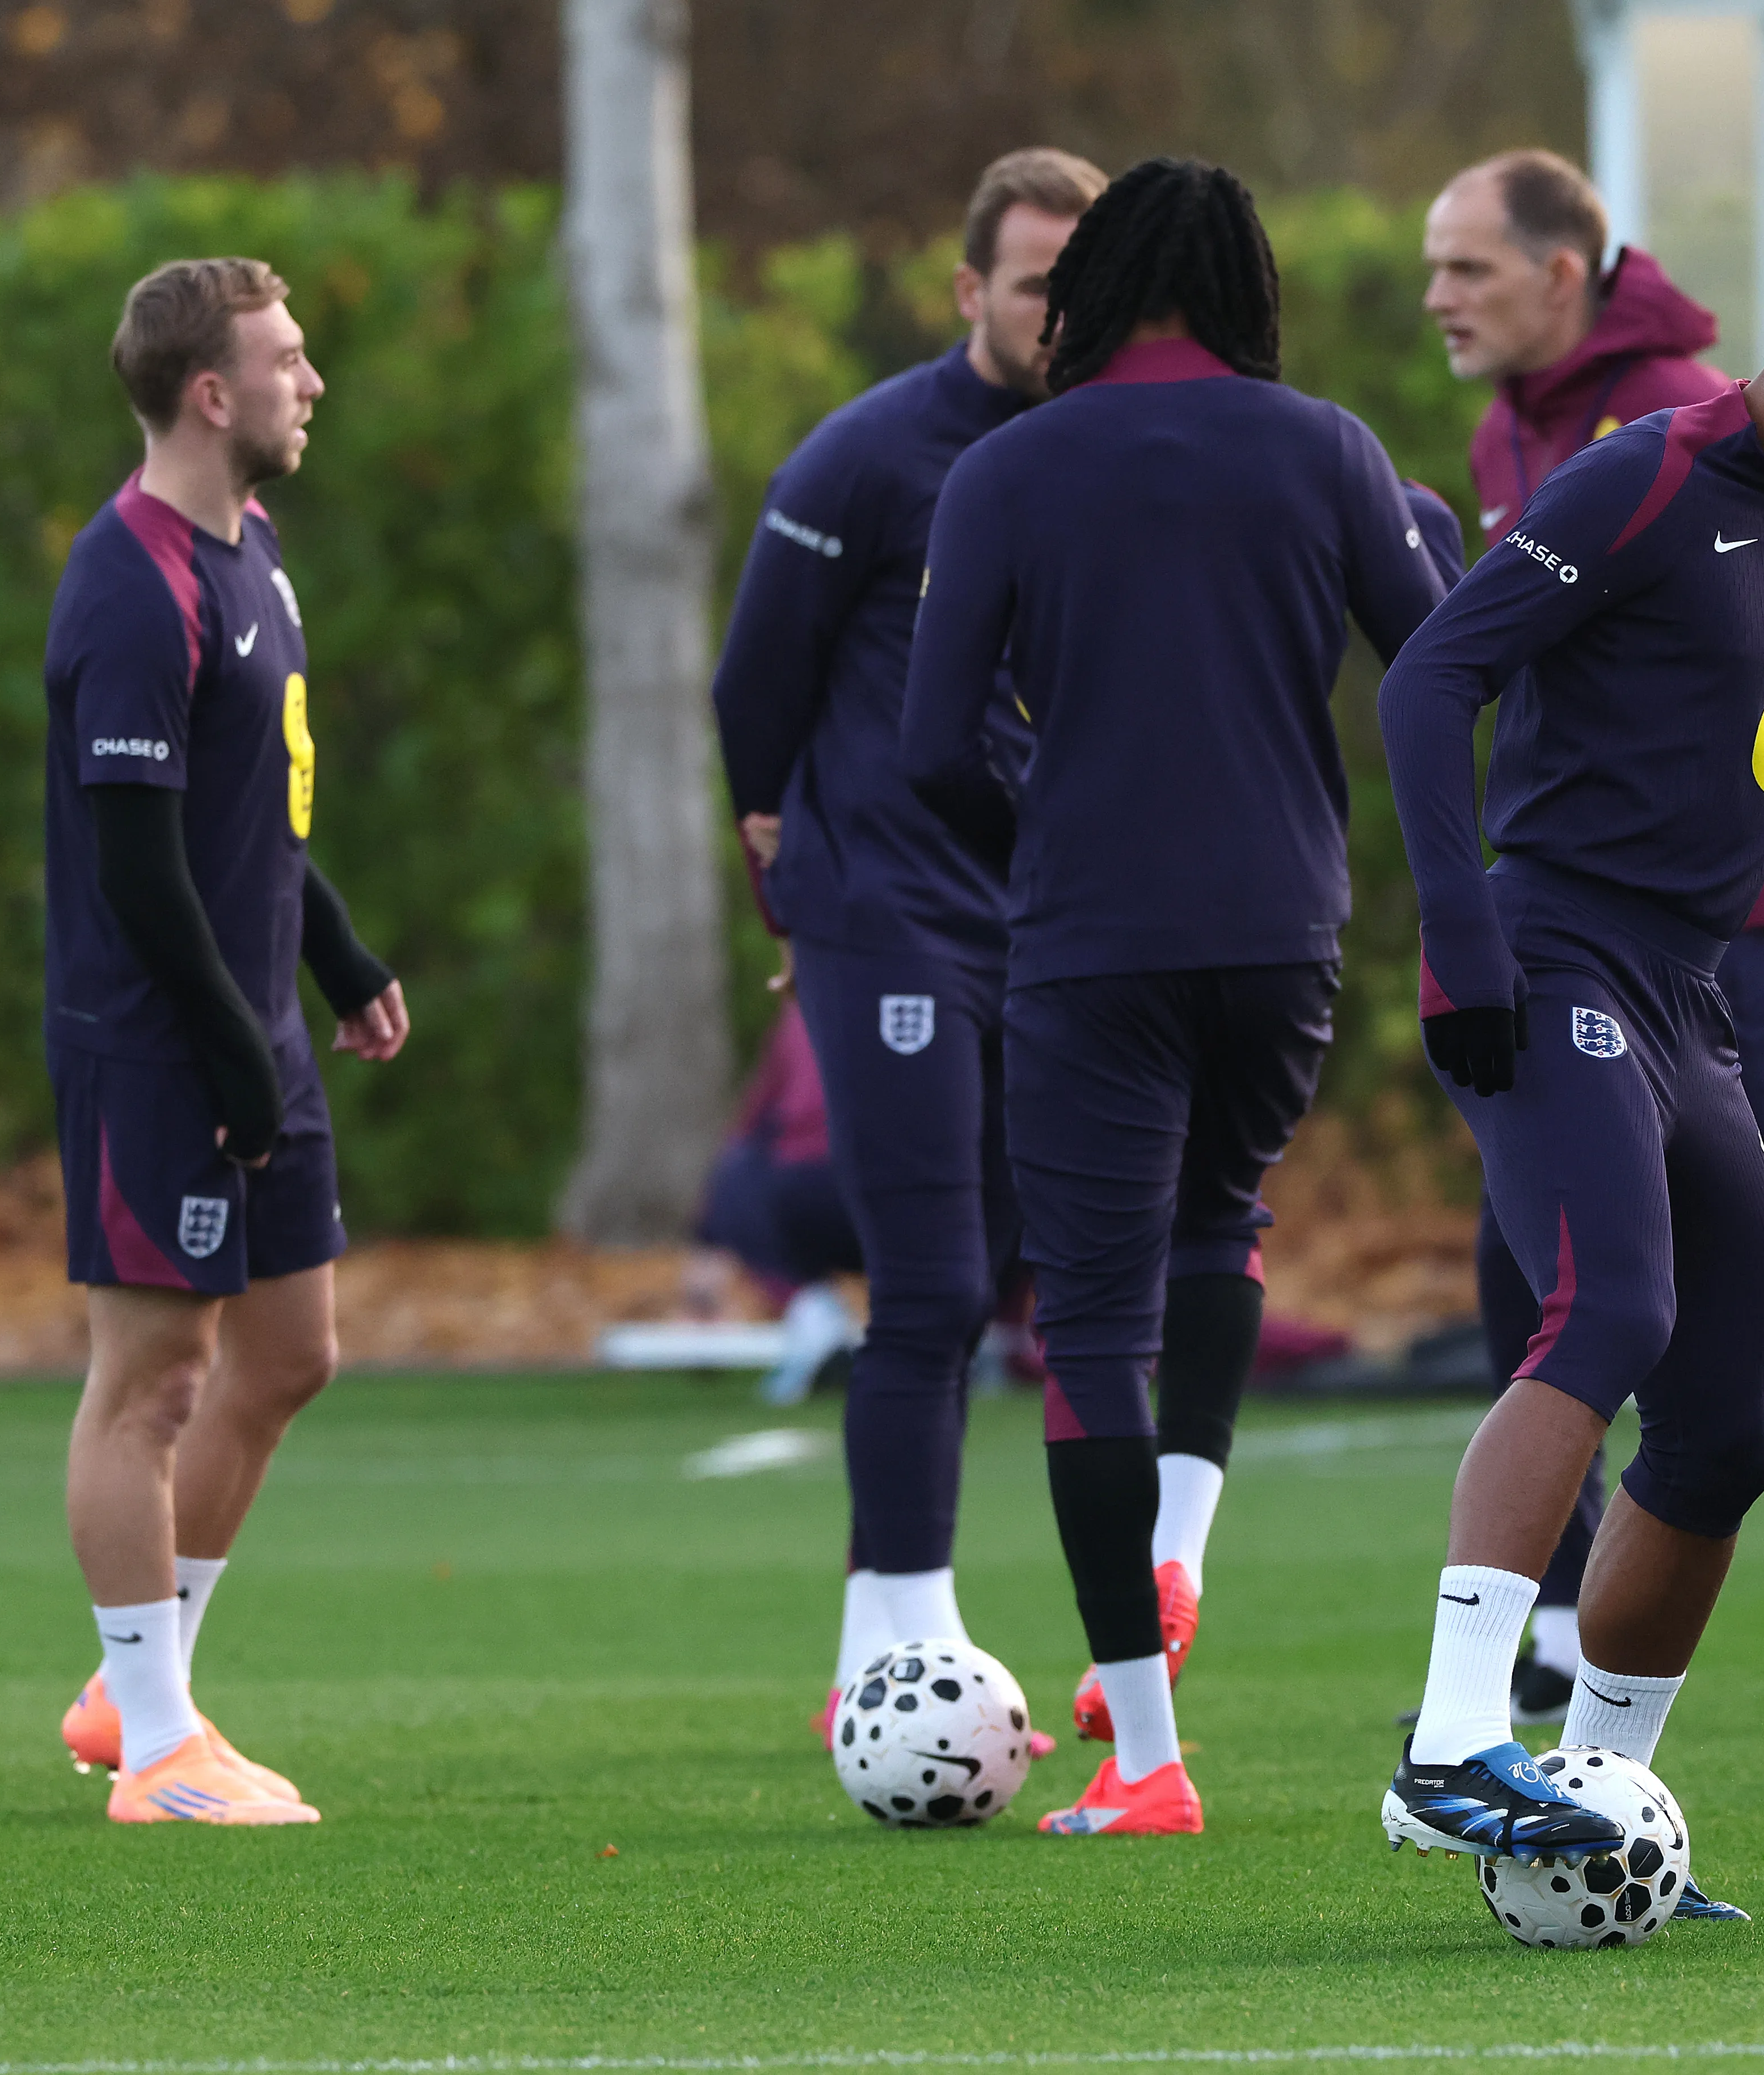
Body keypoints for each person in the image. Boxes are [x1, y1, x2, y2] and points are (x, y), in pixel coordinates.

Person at [1375, 221, 1764, 1888]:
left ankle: (1601, 1794)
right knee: (1610, 1307)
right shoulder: (1641, 475)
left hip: (1688, 990)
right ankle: (1446, 1738)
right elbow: (1431, 681)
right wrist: (1462, 934)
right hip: (1553, 951)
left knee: (1725, 1430)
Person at [903, 156, 1451, 1839]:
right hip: (1281, 930)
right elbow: (1435, 666)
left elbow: (929, 752)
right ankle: (1180, 1545)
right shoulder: (1328, 447)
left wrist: (1043, 832)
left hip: (1094, 938)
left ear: (1090, 284)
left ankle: (1143, 1757)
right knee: (1224, 1218)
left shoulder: (1006, 469)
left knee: (1086, 1330)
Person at [712, 146, 1106, 1740]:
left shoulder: (1104, 450)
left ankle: (895, 1640)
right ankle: (902, 1657)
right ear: (968, 291)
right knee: (931, 1285)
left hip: (1053, 925)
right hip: (885, 913)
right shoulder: (867, 458)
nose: (1056, 316)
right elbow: (758, 679)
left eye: (1083, 289)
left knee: (1014, 1285)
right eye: (1031, 286)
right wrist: (774, 846)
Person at [46, 256, 411, 1823]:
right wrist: (227, 1050)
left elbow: (254, 812)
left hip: (254, 1021)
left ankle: (141, 1690)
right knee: (153, 1378)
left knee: (288, 1353)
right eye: (287, 358)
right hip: (159, 1040)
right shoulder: (129, 584)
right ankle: (157, 1744)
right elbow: (137, 867)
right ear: (212, 392)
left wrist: (334, 958)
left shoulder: (253, 548)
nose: (310, 382)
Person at [690, 998, 866, 1406]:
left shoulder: (806, 1006)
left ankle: (811, 1312)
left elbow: (751, 1124)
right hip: (923, 1200)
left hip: (813, 1192)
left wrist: (707, 1238)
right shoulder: (954, 978)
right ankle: (993, 1328)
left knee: (737, 1168)